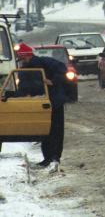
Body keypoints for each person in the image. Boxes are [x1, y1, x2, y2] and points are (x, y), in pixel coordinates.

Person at [15, 42, 67, 172]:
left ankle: (55, 157)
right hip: (39, 103)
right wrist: (11, 95)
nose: (21, 61)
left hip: (54, 102)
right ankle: (47, 158)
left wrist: (53, 81)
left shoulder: (46, 62)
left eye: (21, 58)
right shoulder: (24, 71)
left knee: (56, 131)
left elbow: (63, 69)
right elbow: (24, 89)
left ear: (26, 56)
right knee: (45, 132)